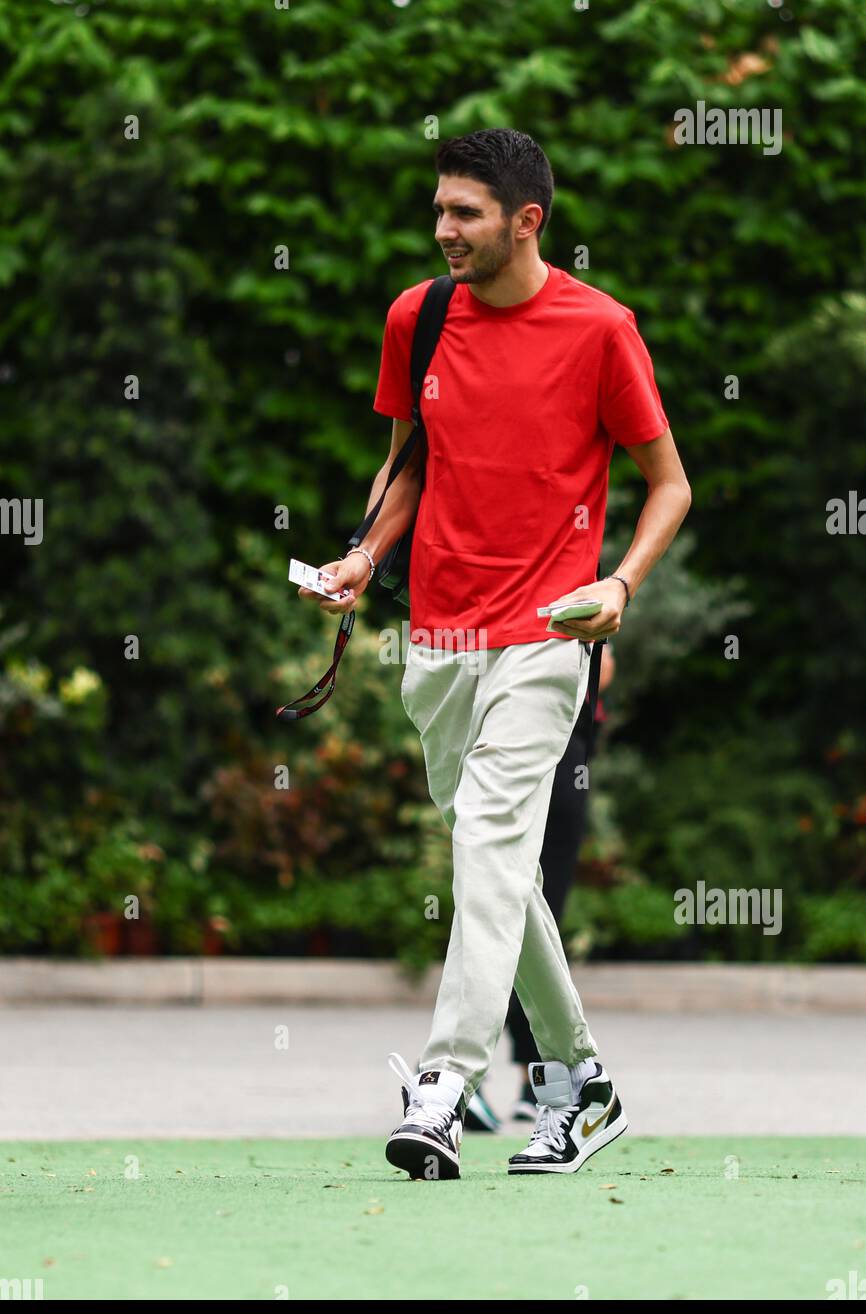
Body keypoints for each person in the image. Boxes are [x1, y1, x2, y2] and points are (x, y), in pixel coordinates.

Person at [299, 128, 691, 1179]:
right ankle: (583, 1084)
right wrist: (359, 555)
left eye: (463, 213)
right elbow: (404, 470)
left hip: (547, 631)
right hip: (438, 637)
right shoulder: (417, 317)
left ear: (528, 221)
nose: (442, 230)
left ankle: (441, 1084)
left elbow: (668, 483)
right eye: (438, 210)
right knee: (497, 870)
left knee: (486, 841)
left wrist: (617, 584)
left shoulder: (601, 330)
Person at [465, 644, 615, 1132]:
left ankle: (544, 1078)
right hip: (495, 749)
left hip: (560, 751)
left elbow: (604, 665)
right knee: (493, 904)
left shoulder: (580, 582)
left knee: (538, 910)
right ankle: (475, 1080)